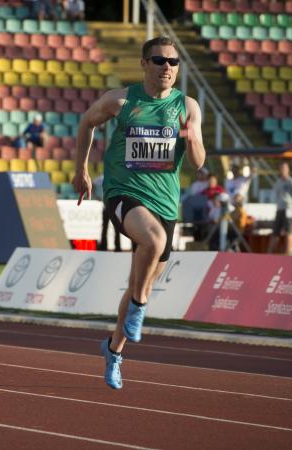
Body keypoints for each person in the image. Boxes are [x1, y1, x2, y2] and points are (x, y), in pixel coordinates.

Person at [71, 36, 205, 389]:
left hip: (165, 202)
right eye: (159, 61)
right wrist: (81, 170)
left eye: (173, 63)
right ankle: (139, 305)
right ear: (144, 63)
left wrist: (191, 138)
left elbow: (199, 163)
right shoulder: (122, 99)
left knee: (139, 279)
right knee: (153, 242)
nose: (167, 68)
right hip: (123, 193)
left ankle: (114, 351)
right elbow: (87, 122)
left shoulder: (188, 106)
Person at [267, 161, 292, 255]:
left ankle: (287, 253)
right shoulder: (278, 182)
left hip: (288, 209)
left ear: (288, 170)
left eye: (284, 168)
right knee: (276, 232)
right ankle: (269, 253)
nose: (282, 171)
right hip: (280, 209)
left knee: (289, 232)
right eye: (281, 168)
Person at [93, 173, 121, 251]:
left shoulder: (103, 177)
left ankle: (104, 246)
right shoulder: (113, 177)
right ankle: (117, 247)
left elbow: (93, 184)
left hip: (110, 206)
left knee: (108, 228)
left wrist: (95, 196)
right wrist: (95, 196)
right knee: (115, 228)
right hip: (111, 206)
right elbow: (93, 184)